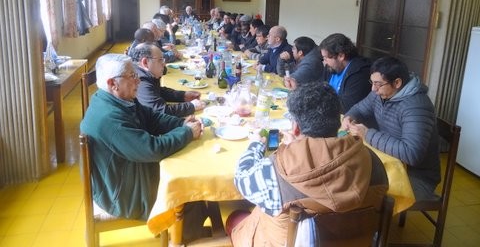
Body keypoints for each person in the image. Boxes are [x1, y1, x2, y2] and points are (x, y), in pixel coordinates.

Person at [228, 81, 389, 245]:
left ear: (295, 128)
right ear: (338, 122)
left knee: (237, 218)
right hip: (354, 242)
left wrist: (256, 144)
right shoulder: (373, 162)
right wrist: (298, 147)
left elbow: (241, 178)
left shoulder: (274, 169)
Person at [80, 53, 205, 223]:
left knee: (189, 170)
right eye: (132, 76)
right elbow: (152, 149)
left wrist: (181, 123)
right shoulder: (109, 119)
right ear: (112, 83)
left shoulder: (118, 99)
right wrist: (187, 133)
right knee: (188, 187)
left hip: (129, 172)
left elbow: (152, 117)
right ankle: (184, 238)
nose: (138, 80)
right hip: (124, 193)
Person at [341, 56, 441, 201]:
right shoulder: (381, 93)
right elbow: (360, 109)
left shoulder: (416, 107)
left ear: (397, 83)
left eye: (378, 84)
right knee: (351, 172)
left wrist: (367, 134)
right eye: (372, 82)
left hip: (415, 177)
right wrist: (348, 117)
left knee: (362, 187)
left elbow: (411, 153)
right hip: (391, 162)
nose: (373, 89)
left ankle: (370, 222)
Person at [132, 42, 206, 117]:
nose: (164, 64)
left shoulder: (144, 73)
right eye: (160, 60)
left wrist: (183, 95)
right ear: (145, 63)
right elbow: (160, 111)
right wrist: (191, 106)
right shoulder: (140, 81)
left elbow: (157, 91)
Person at [319, 33, 371, 112]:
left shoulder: (360, 73)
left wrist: (319, 99)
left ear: (341, 56)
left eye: (326, 58)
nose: (324, 62)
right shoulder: (330, 67)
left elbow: (347, 106)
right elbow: (320, 88)